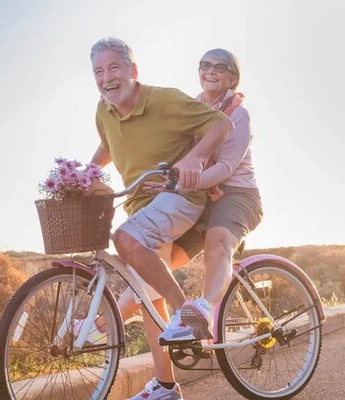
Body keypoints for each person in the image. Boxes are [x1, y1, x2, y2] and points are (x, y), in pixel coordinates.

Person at [88, 38, 233, 400]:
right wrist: (85, 174)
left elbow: (220, 125)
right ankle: (167, 386)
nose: (106, 78)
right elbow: (108, 146)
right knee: (149, 298)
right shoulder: (103, 111)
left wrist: (196, 158)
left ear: (133, 71)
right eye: (98, 71)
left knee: (125, 239)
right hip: (142, 207)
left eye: (114, 68)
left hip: (180, 198)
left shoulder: (164, 100)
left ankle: (187, 314)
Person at [119, 48, 263, 400]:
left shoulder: (238, 115)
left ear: (232, 78)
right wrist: (161, 180)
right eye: (204, 66)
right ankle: (103, 327)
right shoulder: (193, 106)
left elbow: (224, 169)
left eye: (220, 68)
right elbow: (178, 157)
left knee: (217, 242)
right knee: (153, 269)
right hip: (197, 199)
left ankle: (201, 309)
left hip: (236, 196)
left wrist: (184, 183)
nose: (211, 71)